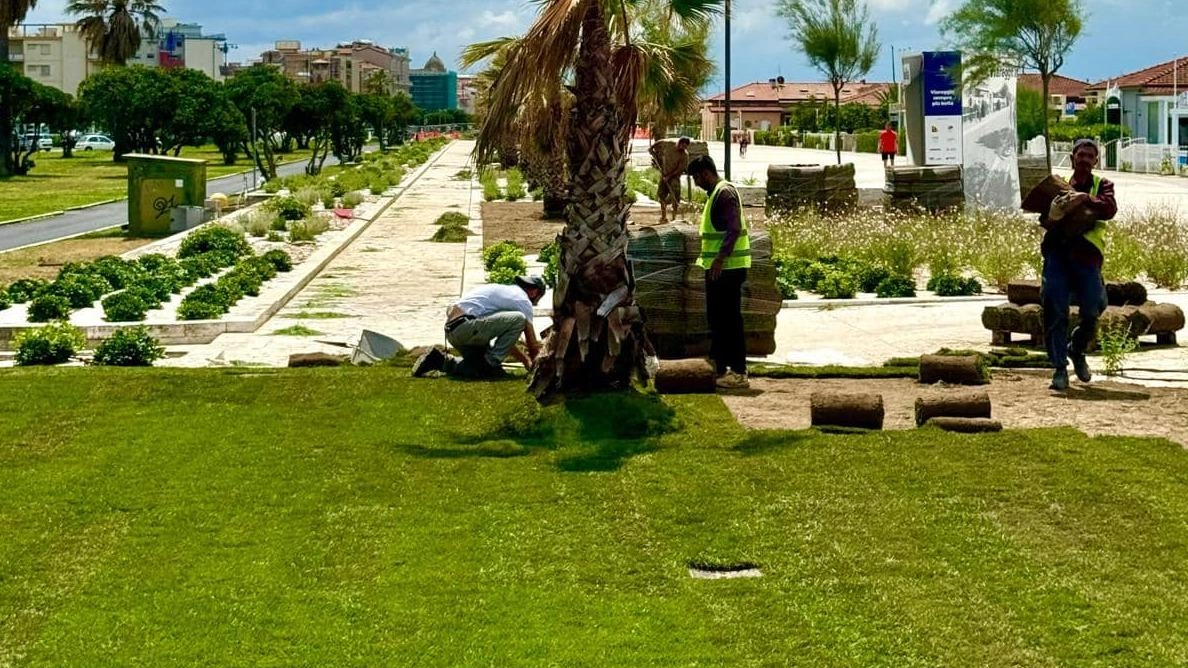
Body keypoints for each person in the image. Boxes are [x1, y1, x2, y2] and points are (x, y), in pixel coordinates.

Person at [1040, 138, 1117, 391]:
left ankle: (1077, 349)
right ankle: (1059, 368)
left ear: (1096, 161)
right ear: (1072, 158)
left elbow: (1109, 209)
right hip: (1058, 256)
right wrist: (1053, 215)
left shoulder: (1101, 185)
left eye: (1090, 156)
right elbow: (1044, 219)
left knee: (1094, 308)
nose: (1084, 160)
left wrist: (1084, 198)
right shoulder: (1058, 186)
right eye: (1080, 155)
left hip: (1087, 258)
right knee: (1055, 306)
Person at [687, 154, 750, 390]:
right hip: (720, 269)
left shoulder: (724, 194)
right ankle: (722, 366)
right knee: (718, 319)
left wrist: (719, 260)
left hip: (728, 269)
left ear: (705, 173)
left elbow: (734, 229)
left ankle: (738, 371)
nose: (696, 182)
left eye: (696, 177)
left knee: (729, 320)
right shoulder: (716, 194)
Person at [412, 275, 546, 379]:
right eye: (538, 299)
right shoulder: (523, 301)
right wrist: (538, 367)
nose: (534, 304)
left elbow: (506, 343)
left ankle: (438, 360)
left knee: (475, 366)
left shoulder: (506, 293)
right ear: (534, 292)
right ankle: (489, 366)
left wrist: (525, 361)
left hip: (454, 331)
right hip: (467, 328)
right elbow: (533, 346)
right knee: (519, 319)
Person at [649, 136, 690, 223]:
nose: (684, 148)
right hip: (664, 174)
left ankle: (674, 217)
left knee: (675, 196)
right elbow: (659, 142)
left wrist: (669, 176)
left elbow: (680, 169)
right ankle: (663, 217)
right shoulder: (669, 144)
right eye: (683, 146)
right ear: (679, 143)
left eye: (686, 147)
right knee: (661, 195)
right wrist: (651, 148)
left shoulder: (684, 155)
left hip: (674, 177)